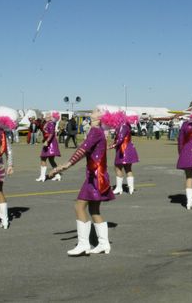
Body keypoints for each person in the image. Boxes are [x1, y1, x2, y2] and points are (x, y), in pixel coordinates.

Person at [49, 107, 114, 256]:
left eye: (97, 110)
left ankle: (83, 244)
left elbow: (83, 149)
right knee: (94, 210)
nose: (94, 110)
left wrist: (65, 165)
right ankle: (103, 244)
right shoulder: (98, 131)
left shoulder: (95, 131)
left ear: (100, 117)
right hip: (98, 176)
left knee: (79, 206)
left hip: (95, 177)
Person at [109, 111, 140, 195]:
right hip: (129, 149)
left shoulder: (123, 125)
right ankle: (131, 188)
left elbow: (120, 138)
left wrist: (112, 145)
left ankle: (119, 188)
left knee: (118, 167)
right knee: (128, 168)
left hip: (123, 150)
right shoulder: (127, 125)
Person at [36, 111, 62, 182]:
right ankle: (58, 175)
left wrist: (47, 141)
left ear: (51, 117)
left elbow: (51, 133)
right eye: (46, 115)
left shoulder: (50, 123)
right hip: (50, 143)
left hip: (50, 144)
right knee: (51, 160)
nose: (46, 117)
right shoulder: (49, 123)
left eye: (48, 116)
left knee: (43, 158)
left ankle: (42, 177)